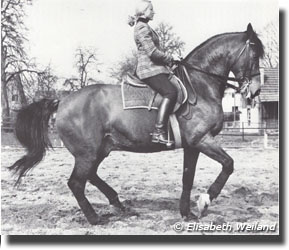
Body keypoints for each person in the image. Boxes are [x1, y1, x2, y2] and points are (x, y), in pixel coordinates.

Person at [128, 0, 177, 146]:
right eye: (151, 10)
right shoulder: (142, 27)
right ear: (143, 12)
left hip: (155, 68)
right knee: (171, 93)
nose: (153, 12)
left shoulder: (145, 26)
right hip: (149, 69)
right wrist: (170, 58)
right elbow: (152, 52)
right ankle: (159, 132)